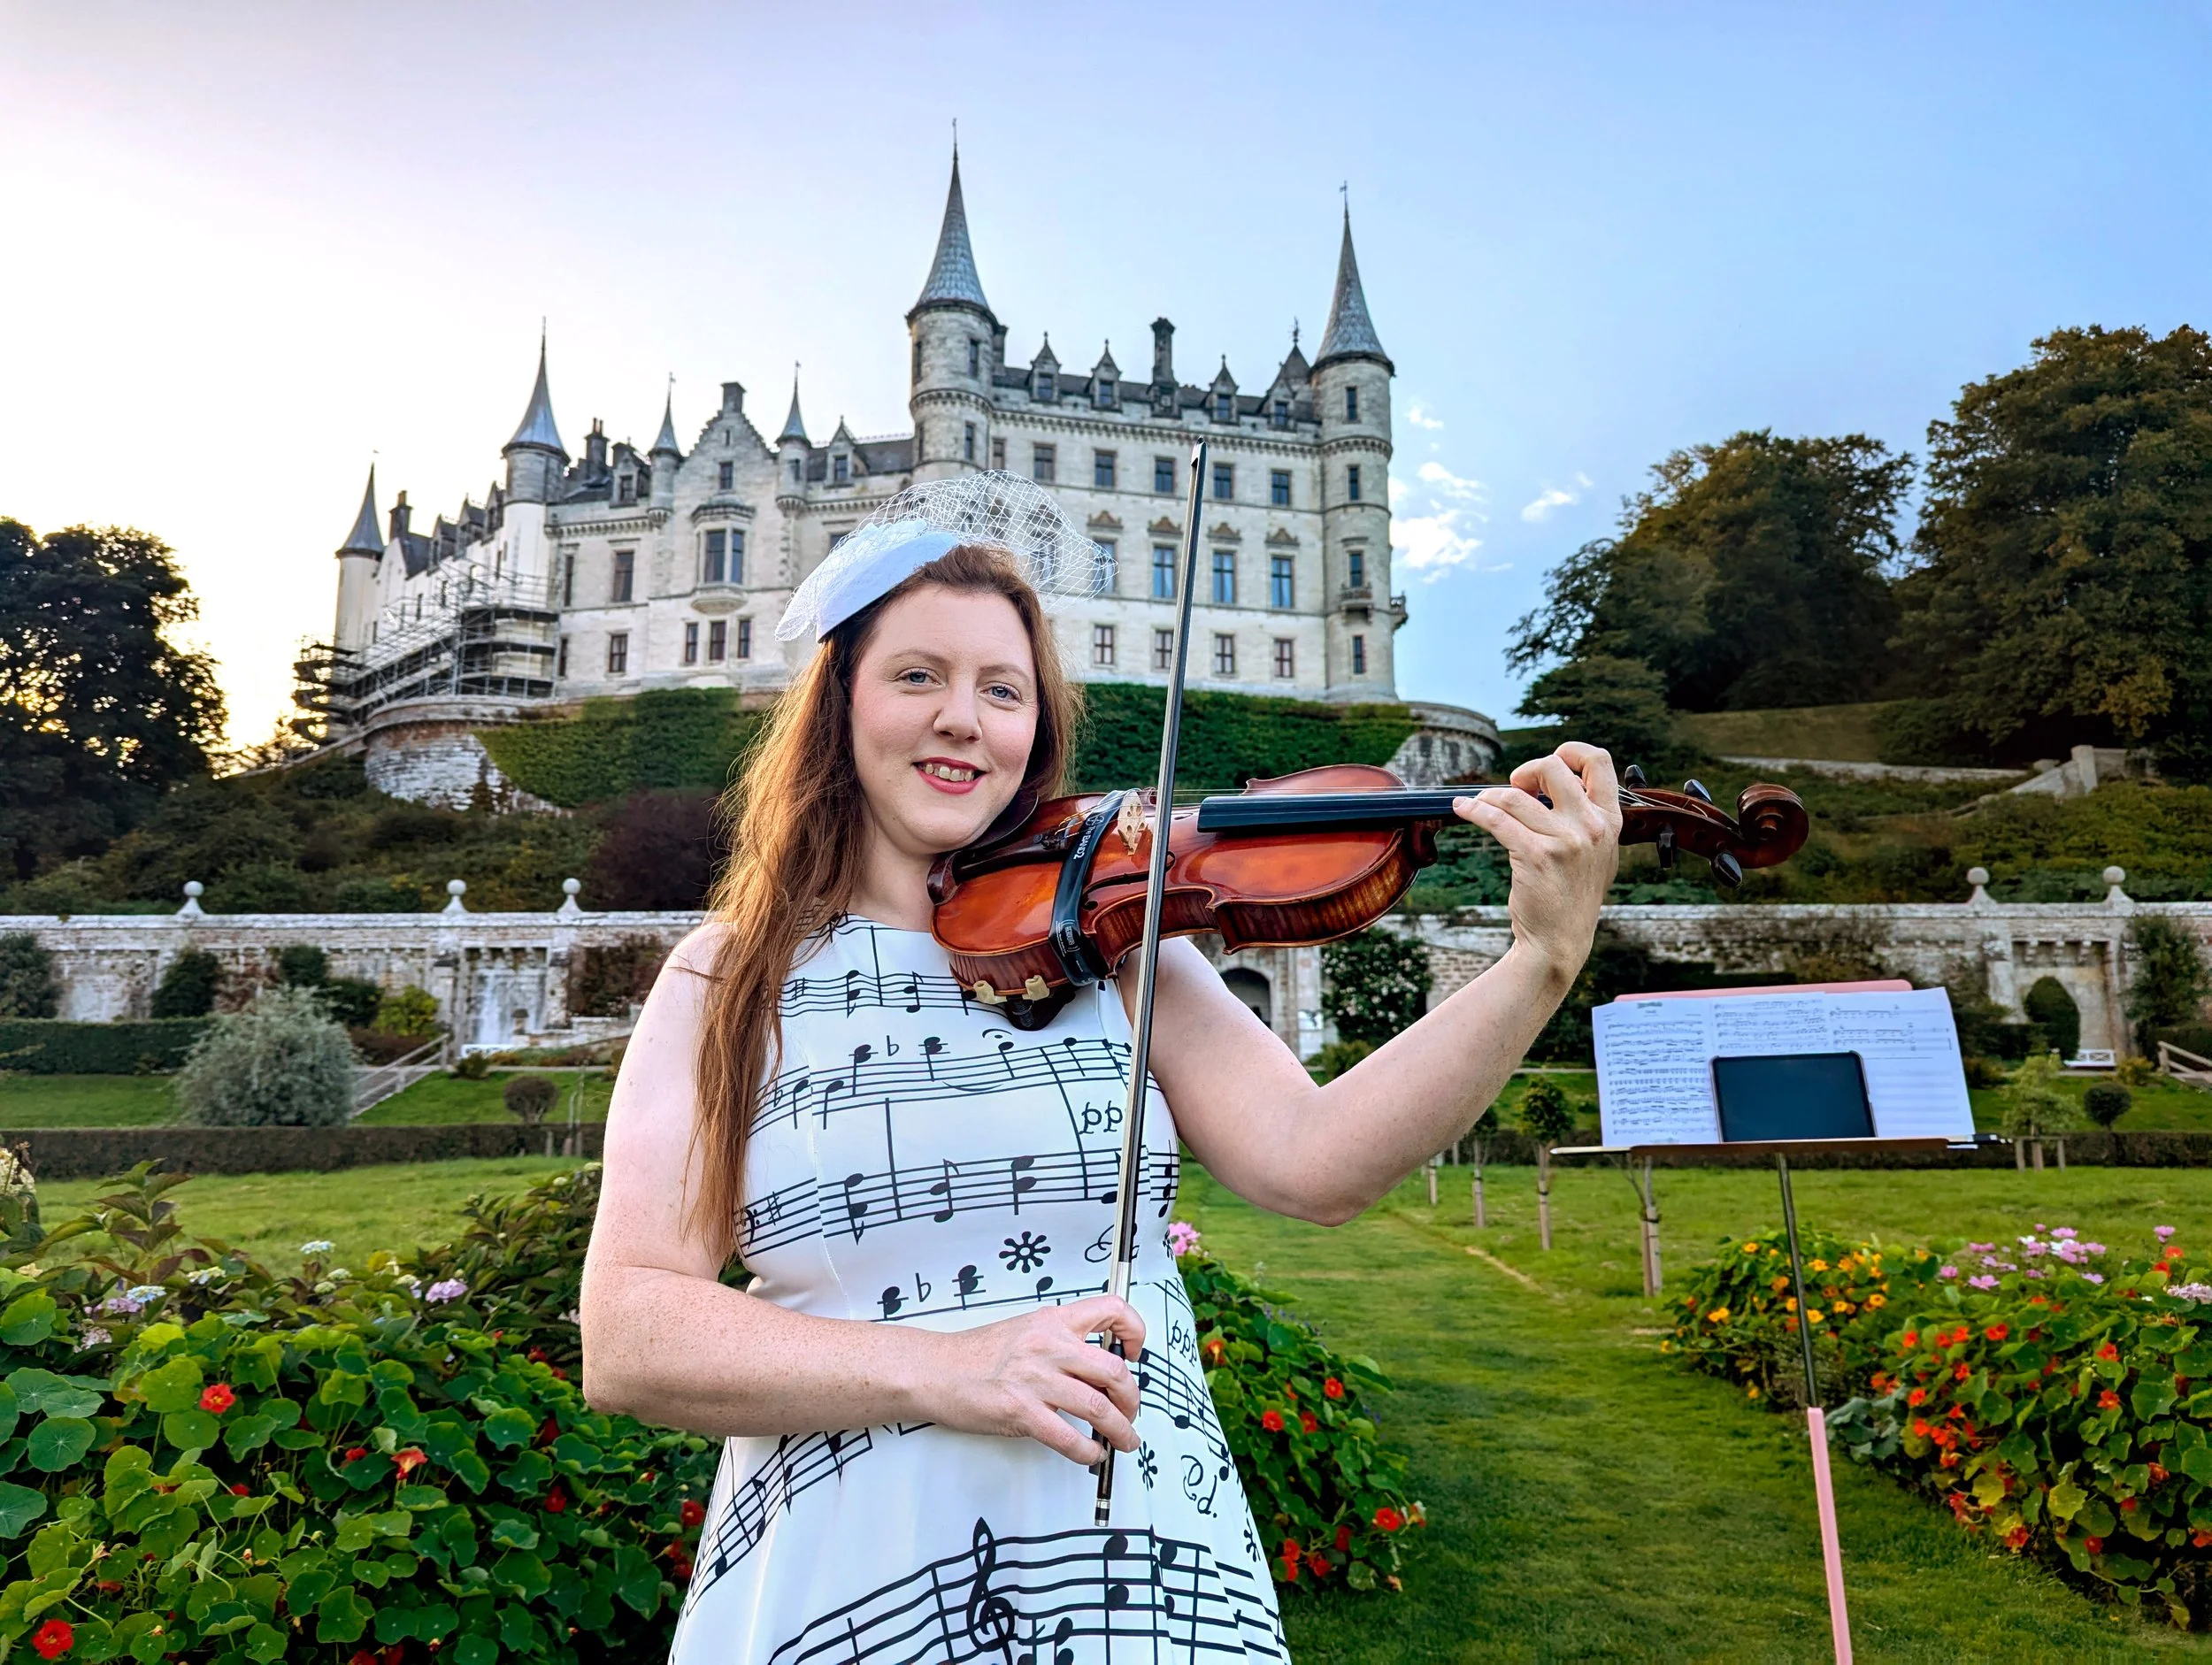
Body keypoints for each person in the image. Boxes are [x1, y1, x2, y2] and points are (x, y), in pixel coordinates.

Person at [580, 476, 1620, 1662]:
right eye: (917, 676)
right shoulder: (729, 976)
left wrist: (1540, 960)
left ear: (1035, 729)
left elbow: (1317, 1162)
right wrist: (950, 1370)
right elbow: (630, 1331)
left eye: (1002, 689)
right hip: (848, 1566)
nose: (963, 718)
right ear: (839, 703)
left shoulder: (1117, 949)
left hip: (1141, 1567)